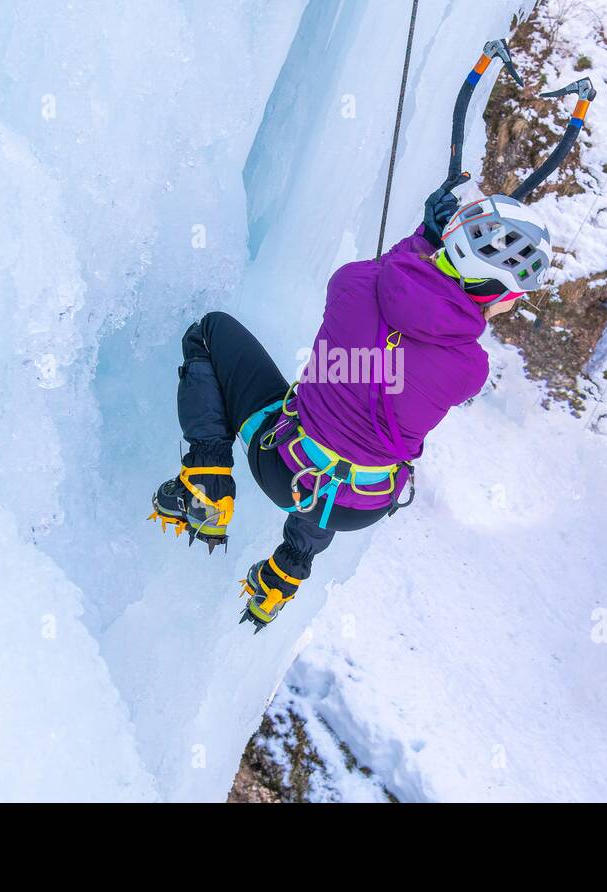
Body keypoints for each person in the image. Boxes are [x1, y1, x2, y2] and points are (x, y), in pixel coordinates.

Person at [149, 174, 553, 631]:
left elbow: (393, 279)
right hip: (358, 507)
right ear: (496, 294)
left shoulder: (352, 283)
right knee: (356, 439)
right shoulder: (470, 369)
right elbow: (428, 324)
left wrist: (423, 239)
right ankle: (287, 570)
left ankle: (207, 480)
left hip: (284, 469)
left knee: (210, 333)